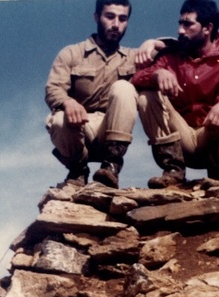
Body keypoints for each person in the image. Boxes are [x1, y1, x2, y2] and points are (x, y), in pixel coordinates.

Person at [131, 0, 219, 188]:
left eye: (188, 24)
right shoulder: (172, 57)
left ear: (207, 28)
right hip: (181, 137)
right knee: (146, 96)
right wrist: (157, 74)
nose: (180, 30)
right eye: (180, 23)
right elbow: (137, 78)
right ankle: (173, 170)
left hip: (211, 135)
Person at [45, 0, 139, 189]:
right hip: (79, 128)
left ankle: (111, 167)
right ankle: (78, 171)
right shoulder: (72, 53)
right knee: (58, 119)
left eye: (122, 19)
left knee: (124, 88)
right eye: (110, 16)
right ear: (97, 17)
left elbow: (171, 51)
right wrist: (68, 102)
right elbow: (53, 88)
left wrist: (153, 44)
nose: (116, 24)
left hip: (111, 129)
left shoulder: (134, 57)